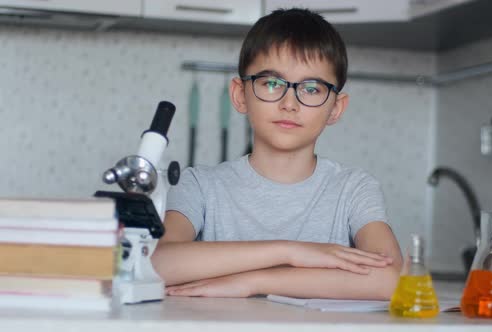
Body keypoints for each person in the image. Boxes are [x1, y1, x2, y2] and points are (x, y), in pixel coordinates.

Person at [152, 8, 402, 300]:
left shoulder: (354, 189)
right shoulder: (197, 185)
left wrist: (255, 282)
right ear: (239, 95)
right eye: (271, 83)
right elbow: (158, 263)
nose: (289, 103)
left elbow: (392, 279)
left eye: (311, 89)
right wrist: (292, 251)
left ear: (335, 108)